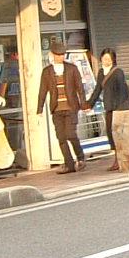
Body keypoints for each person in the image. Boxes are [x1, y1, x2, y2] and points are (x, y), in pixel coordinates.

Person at [35, 36, 86, 173]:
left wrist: (84, 104)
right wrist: (39, 109)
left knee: (70, 134)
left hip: (71, 107)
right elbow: (42, 90)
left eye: (62, 54)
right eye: (58, 54)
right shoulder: (47, 72)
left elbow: (80, 88)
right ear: (52, 55)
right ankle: (69, 164)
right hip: (56, 109)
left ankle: (80, 158)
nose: (60, 57)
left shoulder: (72, 69)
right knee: (61, 137)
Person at [86, 49, 129, 171]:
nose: (106, 61)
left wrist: (120, 106)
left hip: (118, 108)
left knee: (118, 134)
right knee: (111, 134)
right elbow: (97, 90)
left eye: (108, 59)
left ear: (113, 59)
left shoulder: (118, 72)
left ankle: (120, 160)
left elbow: (122, 91)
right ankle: (117, 159)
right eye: (104, 58)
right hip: (109, 107)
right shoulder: (101, 72)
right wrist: (89, 104)